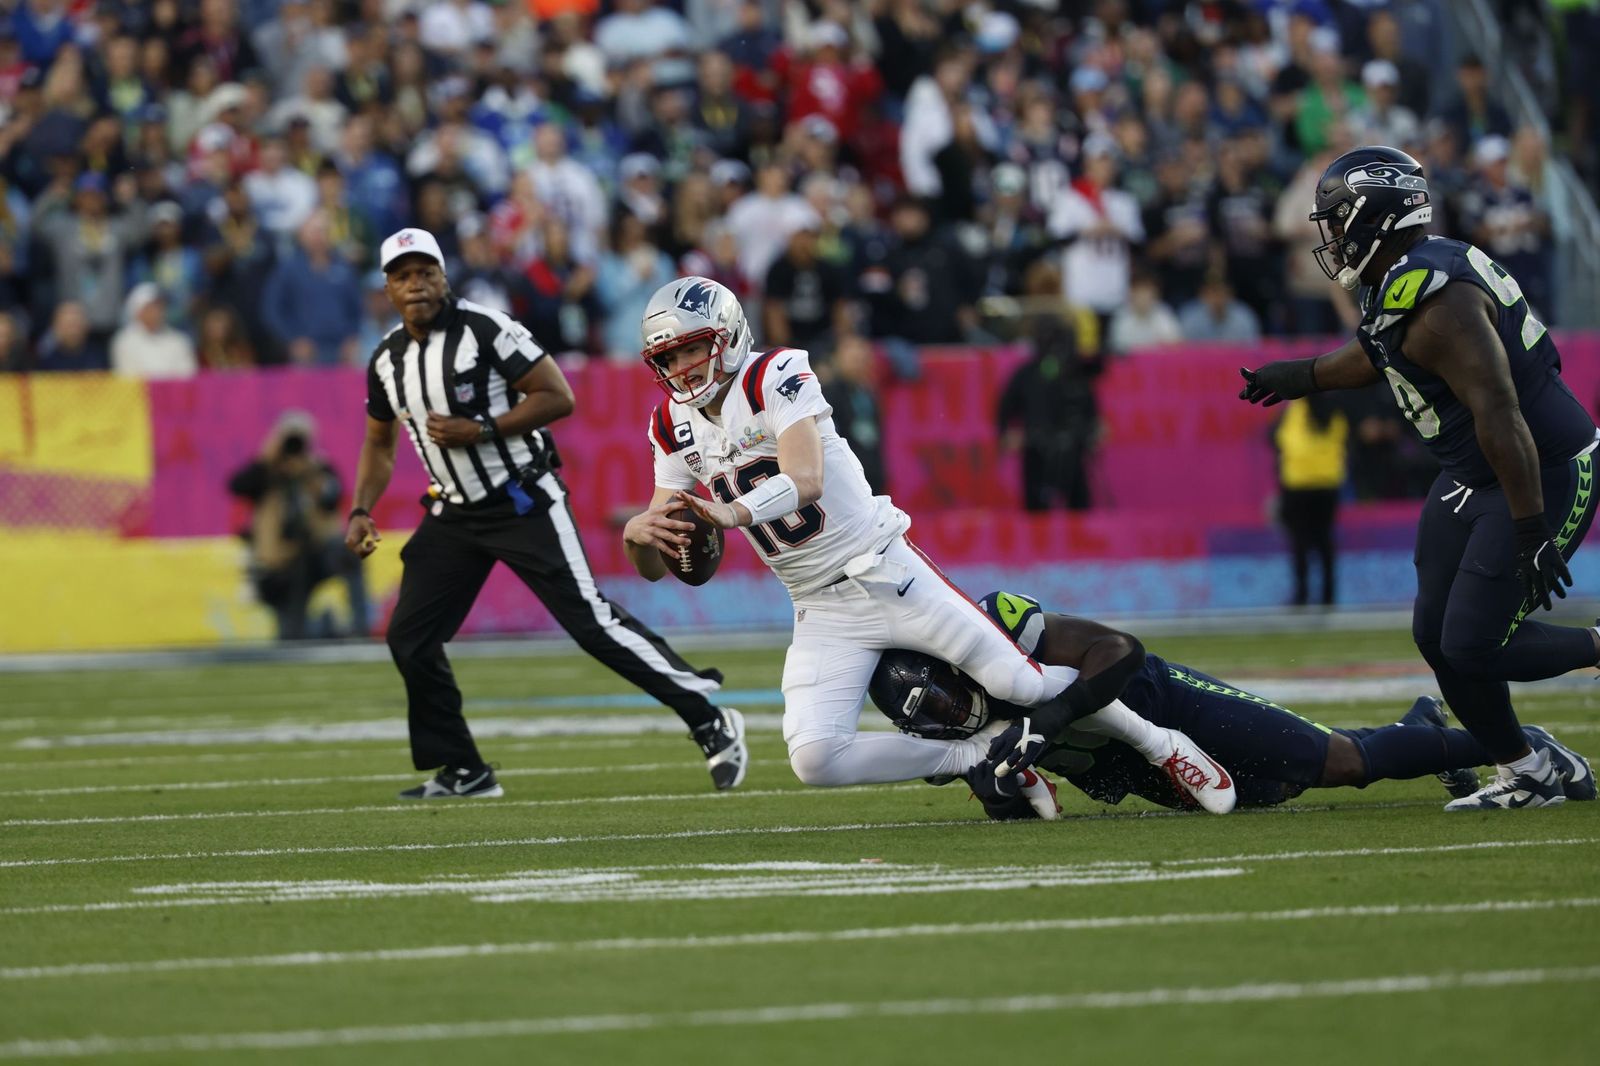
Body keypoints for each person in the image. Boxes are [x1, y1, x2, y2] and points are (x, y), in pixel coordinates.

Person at [621, 276, 1236, 819]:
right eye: (666, 359)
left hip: (884, 570)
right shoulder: (668, 424)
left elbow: (805, 479)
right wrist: (636, 535)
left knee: (1020, 686)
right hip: (818, 604)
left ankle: (1164, 745)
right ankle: (974, 757)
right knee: (816, 756)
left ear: (726, 336)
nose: (680, 370)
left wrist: (727, 511)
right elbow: (665, 556)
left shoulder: (774, 373)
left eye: (689, 350)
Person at [1239, 146, 1600, 811]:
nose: (1334, 233)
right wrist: (1305, 377)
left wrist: (1529, 524)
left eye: (1340, 218)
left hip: (1535, 466)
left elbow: (1499, 409)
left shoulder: (1439, 303)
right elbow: (1384, 349)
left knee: (1472, 643)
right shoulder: (1406, 276)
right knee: (1436, 635)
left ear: (1376, 213)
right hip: (1477, 470)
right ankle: (1529, 769)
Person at [346, 229, 747, 800]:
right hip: (454, 509)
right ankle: (465, 769)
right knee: (410, 636)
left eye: (424, 271)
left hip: (521, 497)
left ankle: (707, 716)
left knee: (591, 623)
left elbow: (558, 396)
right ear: (387, 286)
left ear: (443, 275)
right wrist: (362, 507)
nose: (415, 284)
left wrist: (481, 428)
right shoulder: (387, 358)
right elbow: (379, 443)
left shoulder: (486, 330)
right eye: (402, 275)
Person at [868, 591, 1594, 818]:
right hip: (1133, 770)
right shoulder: (943, 737)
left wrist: (1051, 717)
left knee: (1338, 763)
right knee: (1277, 789)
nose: (942, 714)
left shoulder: (987, 622)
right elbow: (1015, 807)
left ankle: (1521, 748)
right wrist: (992, 779)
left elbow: (1121, 649)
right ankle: (1421, 725)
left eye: (938, 694)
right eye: (922, 715)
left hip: (1161, 704)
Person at [229, 410, 368, 641]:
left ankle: (360, 626)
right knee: (293, 637)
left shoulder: (317, 468)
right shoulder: (265, 473)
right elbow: (236, 486)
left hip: (317, 554)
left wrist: (312, 471)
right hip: (284, 566)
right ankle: (325, 626)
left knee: (349, 554)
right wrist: (266, 459)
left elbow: (332, 499)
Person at [997, 312, 1104, 512]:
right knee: (1037, 511)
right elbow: (1005, 406)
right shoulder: (1026, 373)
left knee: (1079, 507)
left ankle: (1079, 542)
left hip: (1071, 448)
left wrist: (1093, 425)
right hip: (1037, 448)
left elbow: (1087, 402)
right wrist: (1006, 433)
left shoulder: (1074, 371)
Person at [1274, 394, 1348, 607]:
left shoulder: (1295, 409)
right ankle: (1328, 595)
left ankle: (1302, 594)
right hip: (1328, 482)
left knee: (1299, 541)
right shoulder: (1335, 408)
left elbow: (1276, 438)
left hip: (1298, 483)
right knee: (1324, 540)